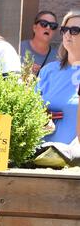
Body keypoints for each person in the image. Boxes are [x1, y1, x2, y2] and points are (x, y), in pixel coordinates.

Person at [37, 10, 80, 144]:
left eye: (75, 30)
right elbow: (31, 109)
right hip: (42, 157)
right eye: (65, 29)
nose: (67, 34)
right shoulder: (48, 71)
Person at [21, 11, 58, 75]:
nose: (48, 28)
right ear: (34, 28)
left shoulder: (58, 57)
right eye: (43, 24)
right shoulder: (18, 49)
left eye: (53, 26)